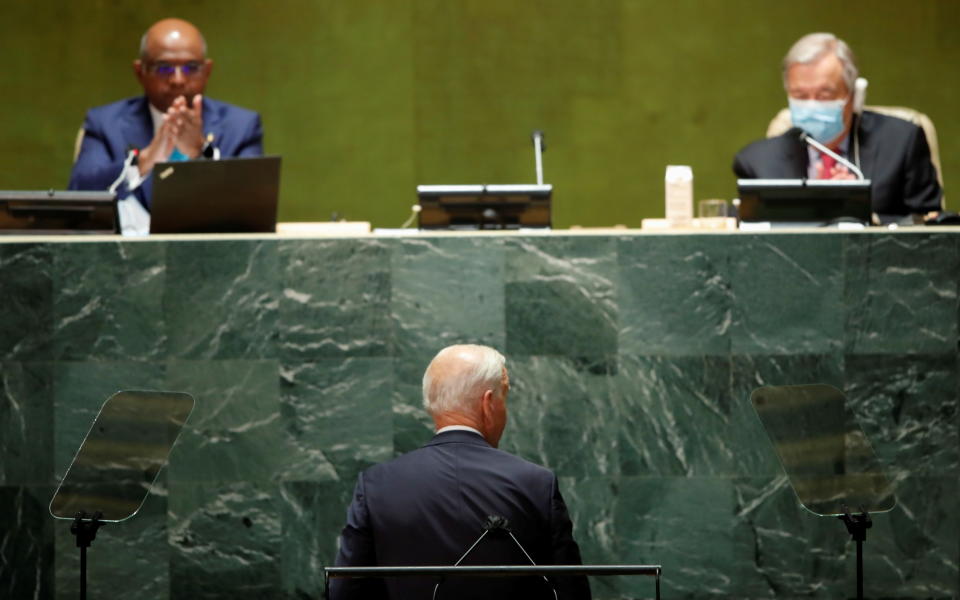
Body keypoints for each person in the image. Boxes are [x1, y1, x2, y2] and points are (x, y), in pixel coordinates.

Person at [331, 344, 591, 600]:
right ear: (488, 403)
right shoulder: (536, 484)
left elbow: (345, 591)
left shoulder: (376, 485)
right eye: (505, 397)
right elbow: (571, 592)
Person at [733, 32, 942, 217]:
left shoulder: (901, 143)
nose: (811, 104)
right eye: (800, 95)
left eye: (825, 95)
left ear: (853, 96)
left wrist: (859, 210)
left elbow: (929, 229)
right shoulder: (757, 161)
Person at [68, 18, 263, 213]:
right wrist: (143, 162)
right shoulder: (104, 122)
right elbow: (78, 196)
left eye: (191, 67)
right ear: (139, 72)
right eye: (163, 68)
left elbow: (256, 204)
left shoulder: (241, 125)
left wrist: (203, 154)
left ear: (207, 71)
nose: (178, 80)